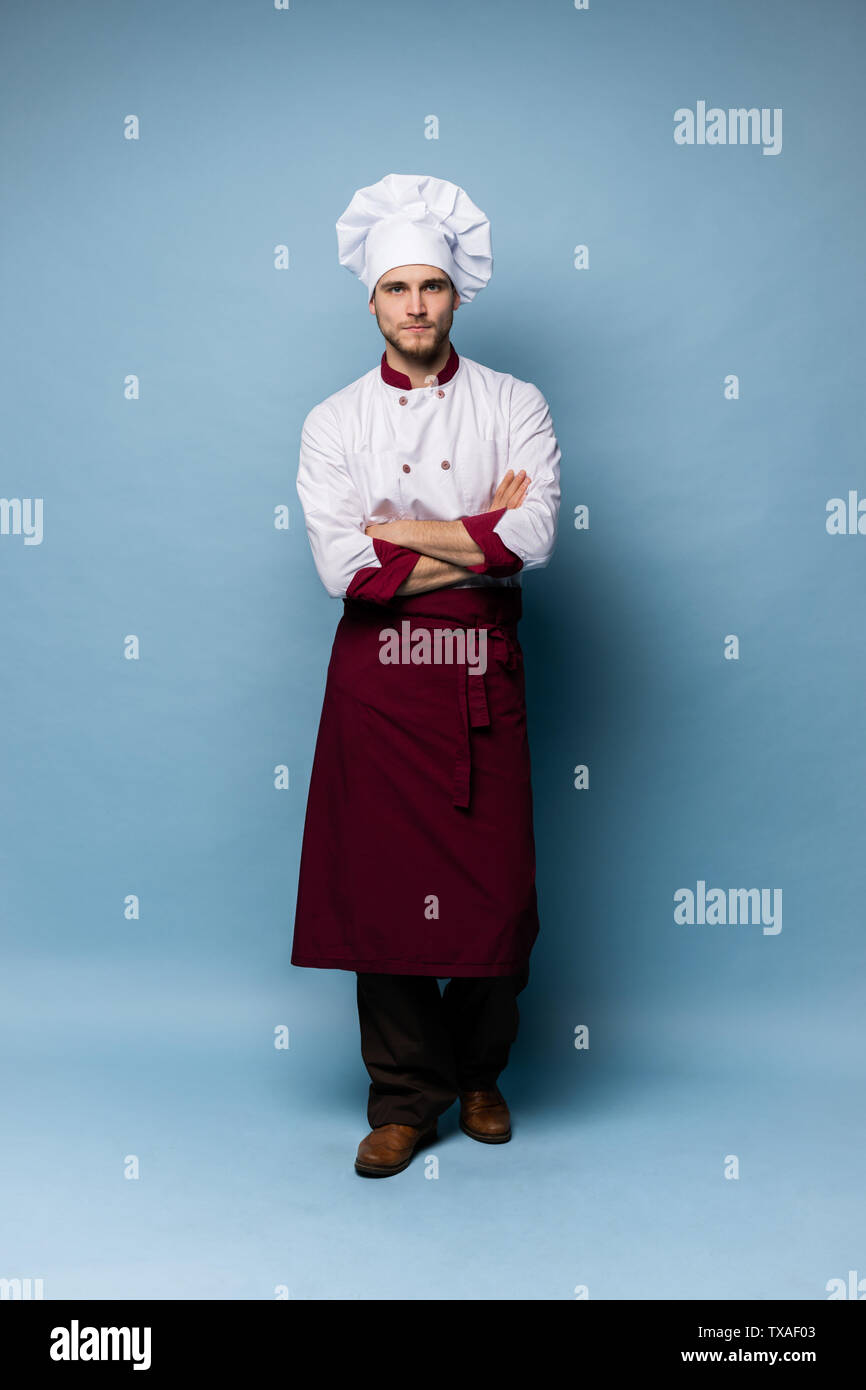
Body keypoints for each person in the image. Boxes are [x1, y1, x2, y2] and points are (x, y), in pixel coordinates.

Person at [291, 173, 561, 1177]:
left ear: (456, 298)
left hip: (479, 672)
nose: (415, 306)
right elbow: (340, 568)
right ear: (371, 301)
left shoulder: (512, 402)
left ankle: (480, 1072)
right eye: (397, 289)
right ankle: (404, 1095)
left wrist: (401, 534)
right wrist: (475, 535)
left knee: (495, 889)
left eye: (431, 289)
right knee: (384, 893)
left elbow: (533, 534)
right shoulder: (332, 422)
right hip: (379, 686)